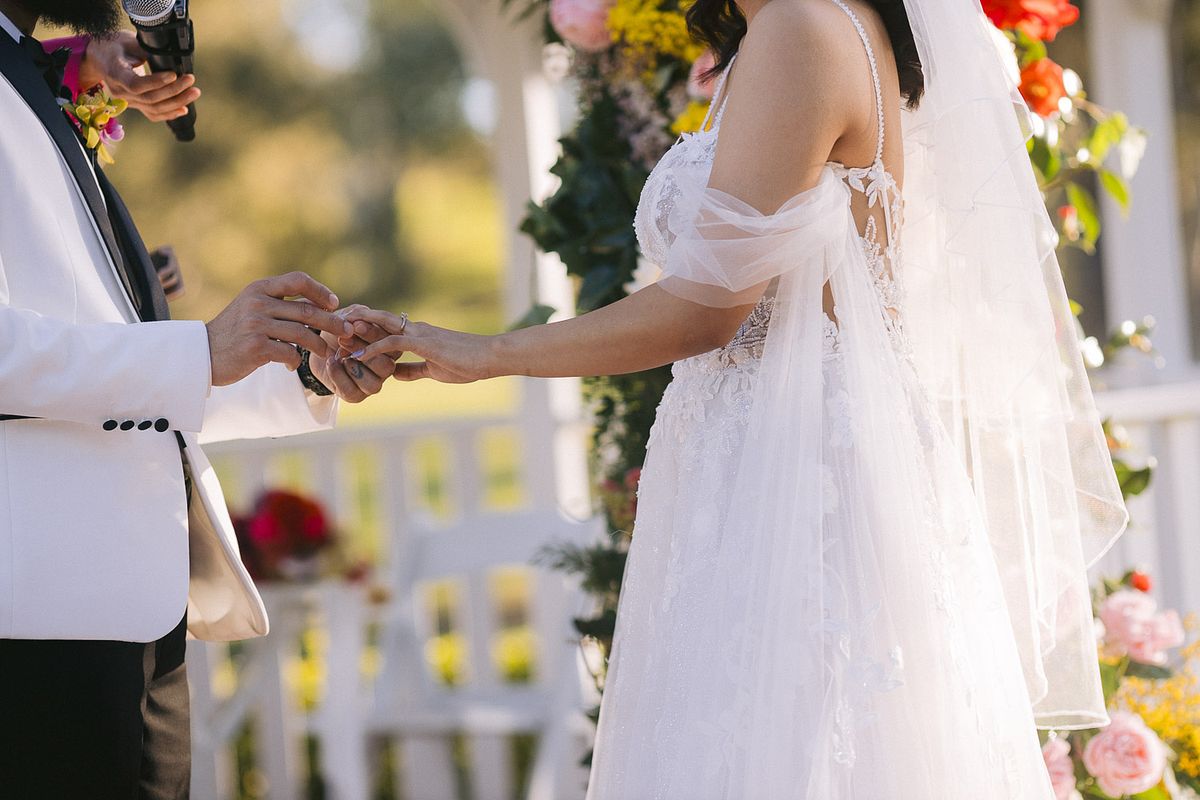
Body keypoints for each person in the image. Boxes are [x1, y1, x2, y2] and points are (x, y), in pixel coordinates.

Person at [348, 0, 1130, 796]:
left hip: (795, 478)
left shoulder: (802, 28)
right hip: (766, 457)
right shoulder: (801, 27)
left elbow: (704, 309)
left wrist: (485, 353)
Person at [0, 1, 392, 797]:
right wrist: (200, 349)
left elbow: (113, 372)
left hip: (137, 618)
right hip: (34, 622)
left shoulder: (35, 80)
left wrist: (300, 367)